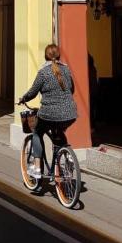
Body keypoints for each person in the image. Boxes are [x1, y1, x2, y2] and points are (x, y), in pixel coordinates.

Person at [18, 43, 78, 180]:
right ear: (59, 55)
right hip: (70, 113)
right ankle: (67, 157)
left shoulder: (43, 72)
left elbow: (33, 92)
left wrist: (24, 98)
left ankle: (38, 168)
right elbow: (72, 89)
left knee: (37, 133)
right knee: (59, 131)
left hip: (49, 113)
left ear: (45, 56)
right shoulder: (67, 70)